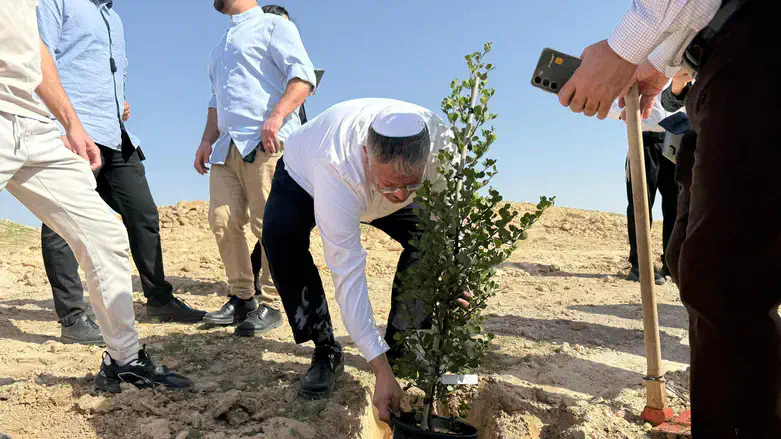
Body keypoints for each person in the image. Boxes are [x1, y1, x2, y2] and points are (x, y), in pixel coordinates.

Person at [558, 1, 779, 436]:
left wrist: (621, 49)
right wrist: (657, 65)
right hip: (718, 64)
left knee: (723, 277)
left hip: (752, 50)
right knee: (692, 264)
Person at [0, 0, 191, 394]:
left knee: (104, 232)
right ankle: (76, 319)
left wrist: (72, 124)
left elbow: (33, 49)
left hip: (34, 122)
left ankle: (124, 360)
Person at [263, 98, 464, 424]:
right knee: (280, 238)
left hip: (368, 180)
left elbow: (456, 215)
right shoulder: (337, 168)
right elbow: (348, 275)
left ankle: (404, 342)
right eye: (390, 184)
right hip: (303, 177)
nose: (400, 196)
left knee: (430, 238)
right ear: (367, 155)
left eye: (411, 184)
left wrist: (458, 271)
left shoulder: (445, 146)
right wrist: (379, 369)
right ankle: (326, 348)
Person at [35, 0, 206, 346]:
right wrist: (61, 124)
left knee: (143, 214)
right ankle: (72, 317)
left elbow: (110, 71)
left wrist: (118, 101)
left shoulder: (113, 17)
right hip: (74, 131)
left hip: (116, 135)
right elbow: (39, 58)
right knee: (63, 224)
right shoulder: (59, 2)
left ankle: (159, 299)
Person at [194, 0, 317, 336]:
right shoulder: (219, 48)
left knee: (271, 227)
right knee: (222, 221)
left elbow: (303, 76)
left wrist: (276, 117)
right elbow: (214, 101)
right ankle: (242, 297)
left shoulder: (275, 26)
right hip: (226, 147)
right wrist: (206, 139)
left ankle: (274, 303)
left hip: (266, 144)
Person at [249, 4, 314, 299]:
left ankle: (267, 283)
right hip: (267, 143)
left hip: (294, 142)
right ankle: (260, 286)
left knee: (276, 219)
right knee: (267, 219)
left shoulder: (293, 69)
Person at [607, 71, 691, 285]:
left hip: (674, 142)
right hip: (643, 141)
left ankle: (671, 263)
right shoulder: (634, 73)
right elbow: (612, 105)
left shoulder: (680, 73)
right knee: (641, 203)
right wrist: (626, 112)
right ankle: (639, 265)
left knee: (676, 205)